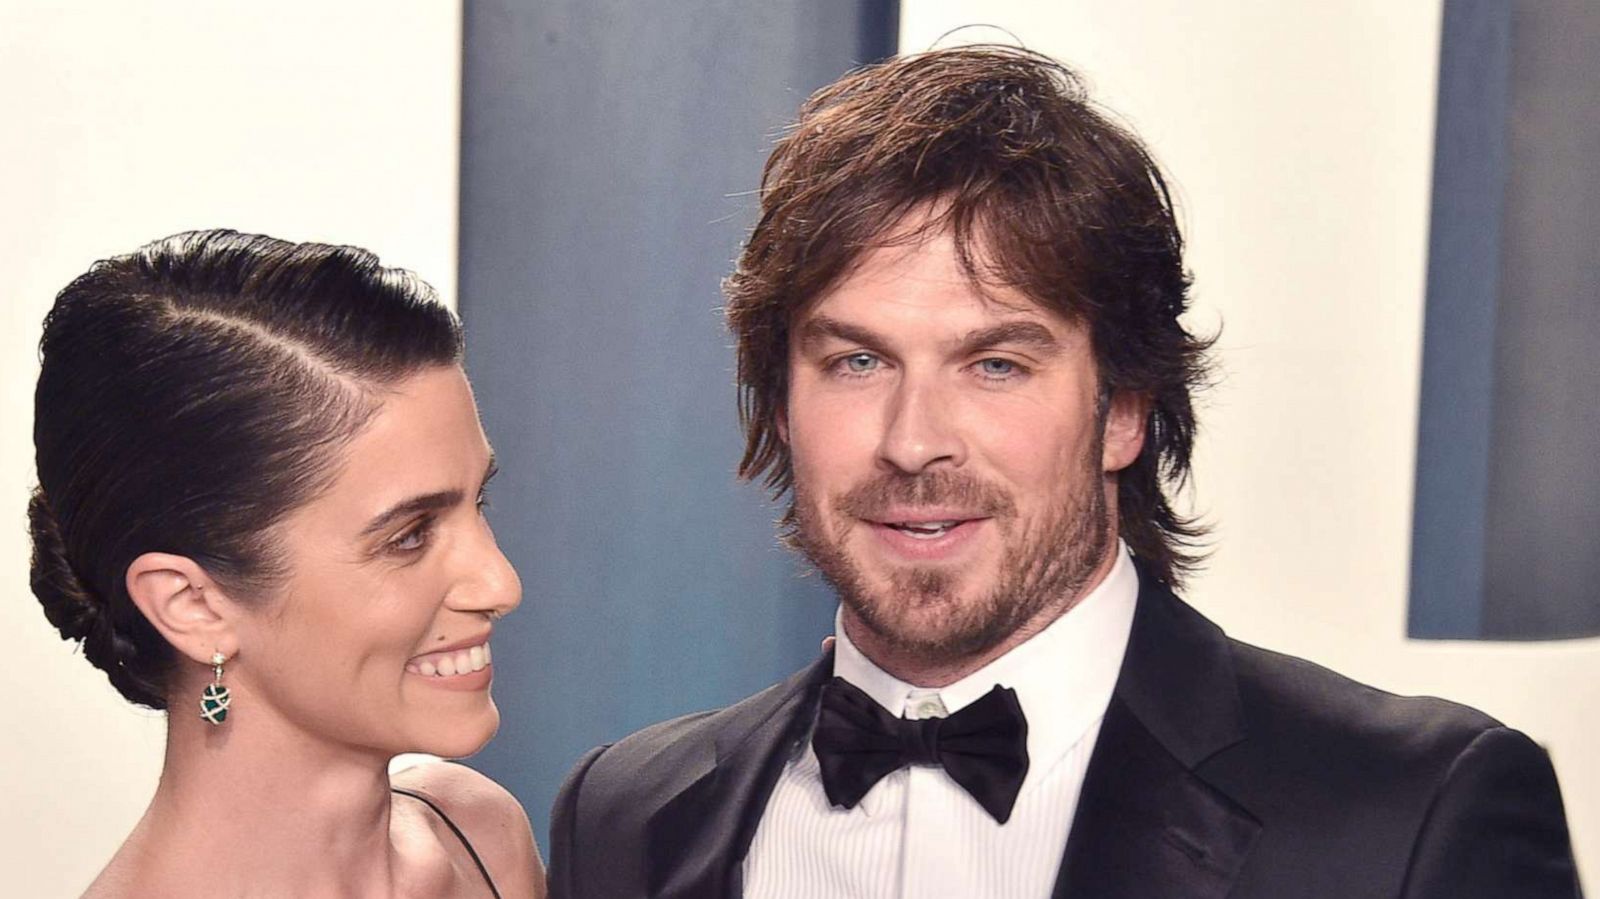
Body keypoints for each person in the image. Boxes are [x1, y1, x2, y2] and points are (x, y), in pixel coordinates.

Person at [547, 46, 1581, 899]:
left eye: (995, 364)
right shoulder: (628, 816)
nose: (914, 441)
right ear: (779, 399)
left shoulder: (1413, 812)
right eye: (856, 361)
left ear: (1124, 407)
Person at [31, 230, 543, 898]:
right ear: (193, 604)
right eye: (411, 535)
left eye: (478, 501)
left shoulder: (481, 835)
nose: (501, 583)